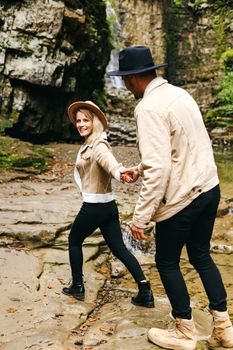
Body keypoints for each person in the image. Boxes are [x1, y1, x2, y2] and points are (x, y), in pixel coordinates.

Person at [108, 46, 233, 349]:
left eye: (125, 80)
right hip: (209, 187)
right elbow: (179, 146)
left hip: (183, 198)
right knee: (201, 255)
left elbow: (160, 168)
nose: (124, 86)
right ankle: (224, 329)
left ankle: (184, 332)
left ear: (136, 77)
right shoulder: (179, 94)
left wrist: (140, 218)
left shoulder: (147, 108)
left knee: (166, 261)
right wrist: (140, 167)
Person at [62, 100, 154, 309]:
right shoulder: (89, 143)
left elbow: (109, 162)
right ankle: (145, 290)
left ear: (95, 122)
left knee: (74, 240)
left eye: (86, 120)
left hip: (94, 207)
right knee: (119, 248)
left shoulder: (99, 145)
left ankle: (77, 286)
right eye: (78, 120)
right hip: (108, 206)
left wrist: (119, 172)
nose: (81, 124)